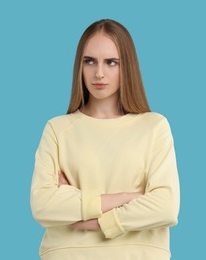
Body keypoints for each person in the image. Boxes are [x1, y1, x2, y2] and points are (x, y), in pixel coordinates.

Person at [30, 19, 180, 260]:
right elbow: (43, 205)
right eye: (90, 61)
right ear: (79, 66)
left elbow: (166, 207)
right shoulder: (57, 129)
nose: (99, 73)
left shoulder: (154, 127)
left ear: (127, 67)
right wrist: (127, 198)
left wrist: (100, 223)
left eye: (111, 62)